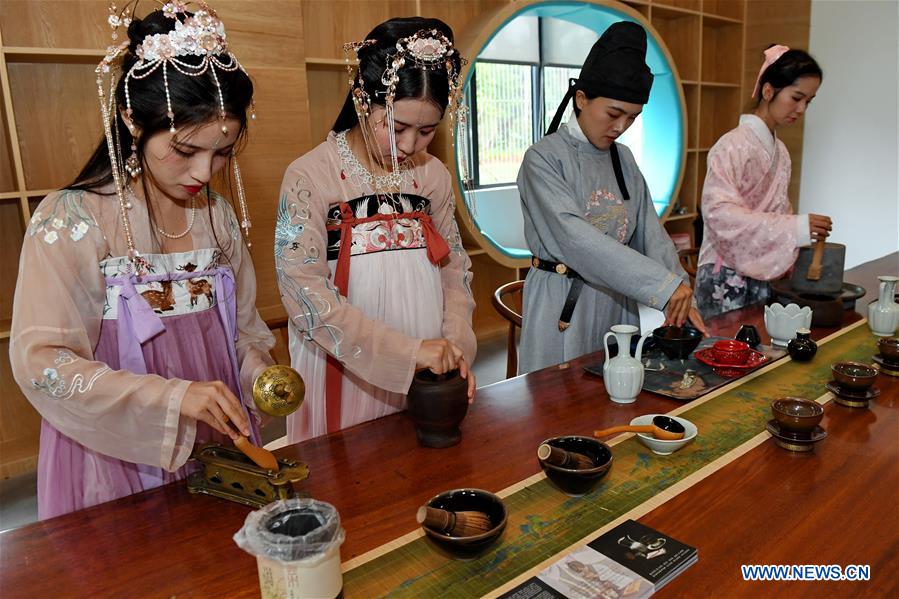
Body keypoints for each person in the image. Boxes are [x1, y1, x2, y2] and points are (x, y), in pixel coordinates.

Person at [9, 3, 275, 519]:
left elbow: (242, 329)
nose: (203, 171)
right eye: (184, 149)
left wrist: (255, 367)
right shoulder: (72, 220)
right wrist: (172, 399)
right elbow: (41, 362)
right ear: (133, 120)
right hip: (114, 451)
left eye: (222, 153)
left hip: (219, 438)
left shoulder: (217, 218)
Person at [276, 18, 476, 442]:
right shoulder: (312, 175)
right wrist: (404, 354)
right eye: (397, 127)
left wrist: (455, 344)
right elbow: (302, 290)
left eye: (426, 131)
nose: (408, 146)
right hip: (345, 356)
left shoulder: (433, 176)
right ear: (363, 100)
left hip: (428, 355)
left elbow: (454, 269)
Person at [517, 21, 703, 374]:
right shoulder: (543, 158)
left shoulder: (624, 158)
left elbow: (650, 232)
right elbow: (575, 240)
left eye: (632, 118)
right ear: (581, 98)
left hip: (617, 302)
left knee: (613, 396)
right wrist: (661, 286)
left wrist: (679, 288)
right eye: (614, 114)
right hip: (563, 304)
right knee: (556, 407)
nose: (620, 128)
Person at [695, 46, 831, 318]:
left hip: (764, 275)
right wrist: (796, 227)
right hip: (725, 274)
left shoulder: (780, 152)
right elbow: (718, 213)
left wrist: (799, 230)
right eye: (796, 97)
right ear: (768, 91)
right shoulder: (732, 145)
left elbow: (780, 210)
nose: (802, 109)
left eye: (809, 101)